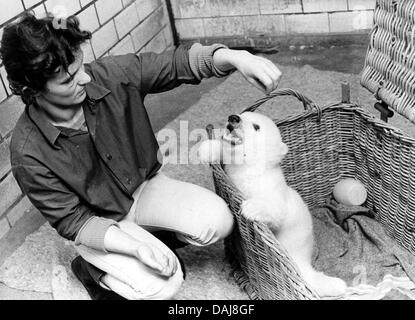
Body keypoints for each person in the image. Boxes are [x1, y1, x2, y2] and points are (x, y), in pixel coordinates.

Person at [0, 12, 282, 300]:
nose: (84, 77)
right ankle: (92, 271)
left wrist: (235, 57)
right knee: (163, 284)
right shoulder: (27, 151)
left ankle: (151, 237)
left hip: (143, 189)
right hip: (100, 222)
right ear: (32, 89)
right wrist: (135, 248)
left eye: (80, 65)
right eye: (69, 80)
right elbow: (74, 222)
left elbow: (174, 63)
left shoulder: (108, 76)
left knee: (218, 221)